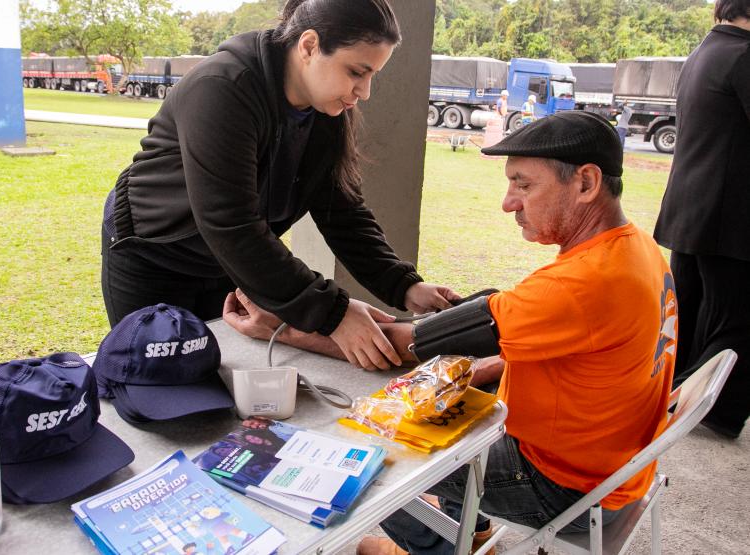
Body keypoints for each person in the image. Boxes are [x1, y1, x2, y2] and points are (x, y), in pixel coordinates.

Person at [224, 111, 678, 555]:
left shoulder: (580, 284)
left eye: (523, 184)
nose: (508, 202)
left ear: (585, 183)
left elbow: (407, 348)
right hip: (615, 469)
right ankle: (468, 536)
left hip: (563, 485)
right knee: (448, 407)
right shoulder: (638, 250)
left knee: (368, 455)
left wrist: (285, 331)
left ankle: (434, 546)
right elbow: (584, 352)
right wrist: (480, 365)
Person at [101, 0, 457, 371]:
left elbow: (342, 211)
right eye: (356, 71)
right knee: (155, 378)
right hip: (153, 256)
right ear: (308, 46)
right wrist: (333, 313)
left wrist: (403, 286)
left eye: (372, 76)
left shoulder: (326, 108)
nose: (364, 91)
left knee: (218, 373)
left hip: (228, 263)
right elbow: (231, 225)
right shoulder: (223, 88)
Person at [653, 0, 750, 440]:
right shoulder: (744, 55)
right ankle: (717, 409)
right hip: (730, 215)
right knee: (737, 318)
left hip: (691, 208)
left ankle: (675, 395)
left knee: (688, 313)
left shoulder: (705, 51)